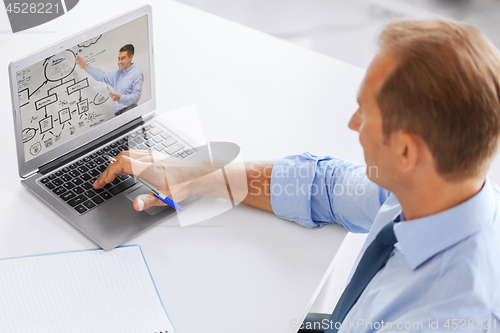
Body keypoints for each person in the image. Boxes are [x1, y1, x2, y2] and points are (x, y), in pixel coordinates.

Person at [93, 20, 500, 332]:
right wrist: (193, 174)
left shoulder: (453, 313)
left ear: (407, 150)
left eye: (365, 113)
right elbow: (319, 186)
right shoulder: (431, 186)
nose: (352, 123)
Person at [75, 44, 144, 116]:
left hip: (131, 112)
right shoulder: (117, 75)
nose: (119, 62)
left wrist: (120, 98)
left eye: (122, 58)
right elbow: (101, 75)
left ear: (130, 57)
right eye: (119, 59)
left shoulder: (137, 73)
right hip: (118, 114)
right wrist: (84, 66)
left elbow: (136, 97)